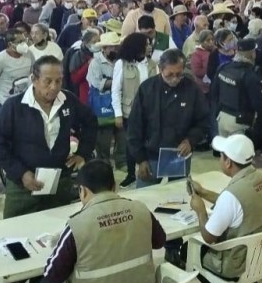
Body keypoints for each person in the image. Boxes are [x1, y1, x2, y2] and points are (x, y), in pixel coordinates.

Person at [0, 55, 97, 283]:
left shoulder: (68, 102)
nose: (53, 87)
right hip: (22, 186)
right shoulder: (14, 107)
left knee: (54, 238)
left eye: (58, 80)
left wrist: (83, 153)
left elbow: (91, 123)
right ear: (33, 80)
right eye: (47, 81)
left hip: (58, 182)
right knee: (14, 244)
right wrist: (20, 173)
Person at [37, 159, 166, 283]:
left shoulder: (77, 224)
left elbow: (52, 273)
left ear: (82, 191)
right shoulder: (141, 210)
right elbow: (160, 241)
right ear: (114, 186)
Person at [186, 134, 262, 283]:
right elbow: (237, 204)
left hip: (236, 264)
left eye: (221, 156)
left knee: (186, 249)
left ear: (228, 162)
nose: (219, 159)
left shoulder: (232, 196)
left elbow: (209, 236)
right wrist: (203, 192)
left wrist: (200, 210)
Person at [127, 49, 209, 188]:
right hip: (151, 156)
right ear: (160, 69)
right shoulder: (147, 89)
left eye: (179, 74)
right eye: (169, 75)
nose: (175, 79)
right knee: (145, 198)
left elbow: (203, 120)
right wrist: (140, 159)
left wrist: (190, 140)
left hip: (179, 155)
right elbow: (135, 127)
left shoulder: (191, 89)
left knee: (179, 196)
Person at [111, 33, 158, 188]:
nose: (149, 46)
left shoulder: (152, 64)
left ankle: (146, 170)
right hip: (128, 111)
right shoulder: (121, 64)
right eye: (146, 44)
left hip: (149, 111)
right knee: (131, 143)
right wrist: (118, 114)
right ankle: (131, 173)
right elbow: (116, 90)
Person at [211, 38, 262, 152]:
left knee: (225, 156)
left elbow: (214, 93)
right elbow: (258, 104)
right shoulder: (250, 76)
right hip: (239, 123)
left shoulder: (223, 68)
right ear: (252, 54)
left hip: (222, 118)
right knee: (237, 158)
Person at [86, 31, 120, 161]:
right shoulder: (95, 63)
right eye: (112, 47)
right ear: (104, 48)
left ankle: (120, 161)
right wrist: (117, 81)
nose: (115, 49)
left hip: (117, 103)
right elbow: (97, 84)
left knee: (121, 136)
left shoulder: (119, 60)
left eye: (116, 46)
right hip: (102, 104)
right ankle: (103, 162)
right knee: (103, 139)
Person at [0, 28, 33, 112]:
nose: (24, 44)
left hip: (25, 101)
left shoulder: (29, 54)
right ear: (10, 44)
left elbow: (33, 73)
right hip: (7, 104)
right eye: (20, 42)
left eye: (25, 40)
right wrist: (3, 100)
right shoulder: (0, 59)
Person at [190, 29, 214, 94]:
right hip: (203, 88)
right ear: (201, 42)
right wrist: (211, 71)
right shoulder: (196, 54)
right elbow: (196, 71)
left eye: (212, 40)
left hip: (213, 85)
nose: (211, 42)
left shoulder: (214, 51)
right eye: (208, 40)